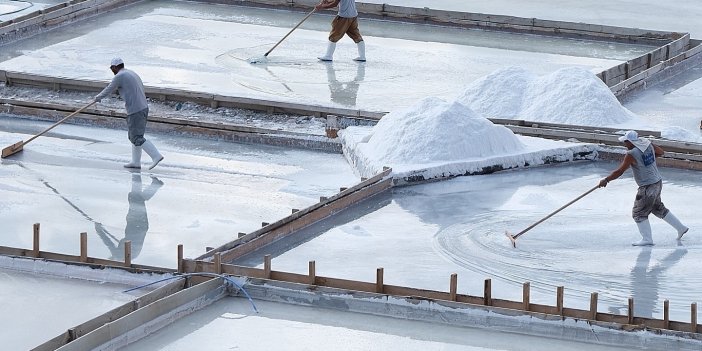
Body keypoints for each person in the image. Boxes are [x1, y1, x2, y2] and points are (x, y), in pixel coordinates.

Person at [598, 130, 688, 246]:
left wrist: (606, 180)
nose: (625, 144)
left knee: (638, 213)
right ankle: (681, 228)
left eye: (626, 141)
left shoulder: (631, 154)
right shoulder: (648, 145)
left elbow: (620, 171)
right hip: (657, 182)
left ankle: (647, 239)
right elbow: (661, 152)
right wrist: (648, 158)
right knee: (658, 208)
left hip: (647, 187)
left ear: (631, 141)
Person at [94, 57, 163, 170]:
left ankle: (156, 155)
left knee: (136, 137)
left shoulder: (120, 76)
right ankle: (136, 162)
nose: (112, 70)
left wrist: (98, 98)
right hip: (142, 107)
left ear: (115, 67)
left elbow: (109, 88)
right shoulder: (130, 73)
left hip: (136, 109)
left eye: (112, 68)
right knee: (135, 136)